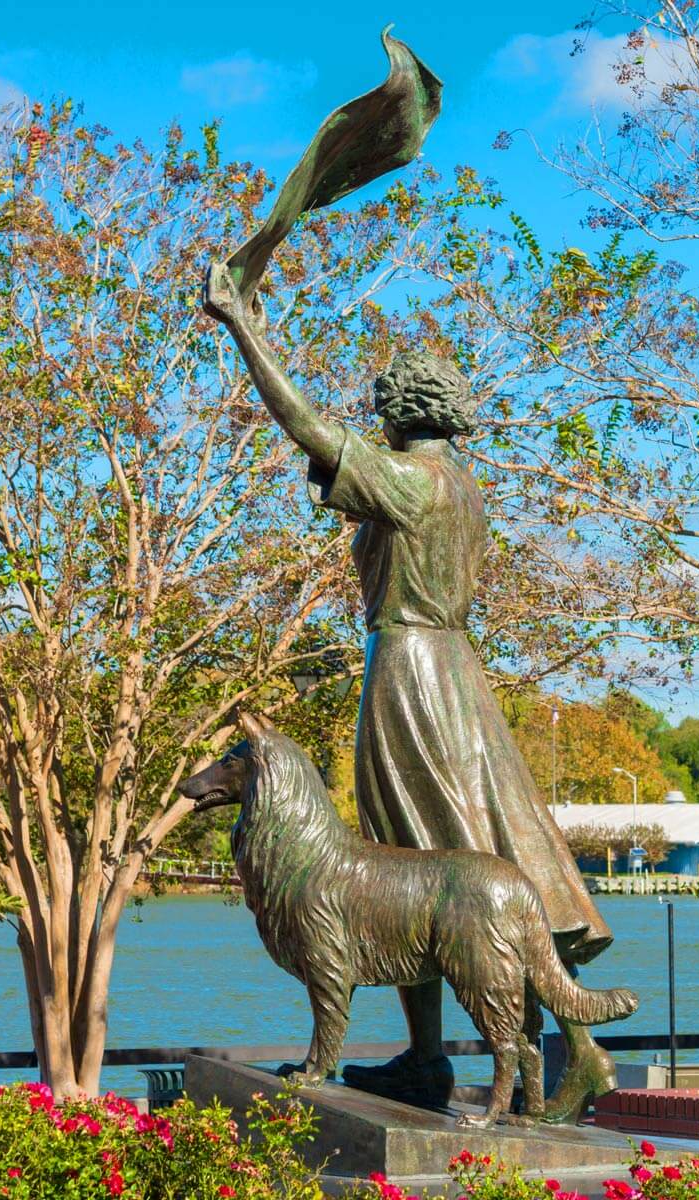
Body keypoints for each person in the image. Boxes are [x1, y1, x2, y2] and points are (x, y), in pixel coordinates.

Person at [203, 262, 620, 1119]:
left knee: (438, 856)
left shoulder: (413, 481)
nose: (376, 417)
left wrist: (242, 325)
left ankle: (574, 1052)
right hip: (451, 672)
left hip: (412, 676)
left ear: (404, 412)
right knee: (429, 856)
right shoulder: (460, 482)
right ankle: (429, 1060)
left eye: (385, 405)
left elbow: (307, 430)